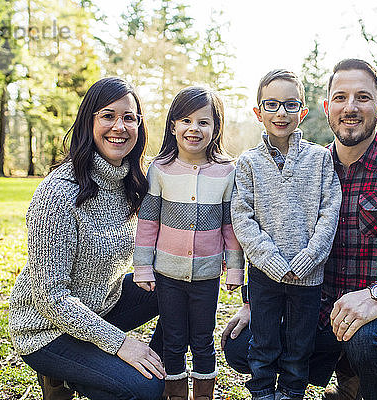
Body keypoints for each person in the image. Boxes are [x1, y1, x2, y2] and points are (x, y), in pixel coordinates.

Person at [222, 59, 377, 400]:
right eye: (341, 97)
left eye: (363, 97)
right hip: (314, 304)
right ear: (327, 107)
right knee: (241, 345)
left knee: (367, 337)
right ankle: (346, 379)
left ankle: (368, 387)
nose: (351, 107)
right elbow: (270, 224)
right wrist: (251, 302)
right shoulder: (311, 164)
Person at [8, 77, 166, 400]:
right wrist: (121, 345)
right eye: (108, 116)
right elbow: (50, 297)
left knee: (178, 285)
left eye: (129, 117)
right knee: (145, 390)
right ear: (88, 122)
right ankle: (63, 375)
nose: (119, 126)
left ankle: (158, 366)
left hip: (101, 307)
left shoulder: (132, 182)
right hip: (46, 328)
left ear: (139, 126)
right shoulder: (59, 192)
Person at [230, 69, 342, 400]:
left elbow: (329, 212)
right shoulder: (248, 163)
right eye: (272, 105)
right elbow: (242, 217)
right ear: (258, 113)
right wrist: (271, 261)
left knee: (298, 346)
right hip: (265, 275)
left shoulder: (320, 159)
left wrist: (308, 258)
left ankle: (292, 394)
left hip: (309, 277)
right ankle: (262, 394)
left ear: (303, 112)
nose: (281, 113)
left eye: (291, 105)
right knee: (263, 343)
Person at [133, 86, 244, 400]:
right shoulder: (160, 169)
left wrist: (235, 271)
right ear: (173, 126)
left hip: (207, 275)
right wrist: (143, 268)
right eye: (186, 120)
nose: (194, 128)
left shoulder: (226, 172)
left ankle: (204, 395)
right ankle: (177, 394)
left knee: (203, 339)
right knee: (173, 339)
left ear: (215, 128)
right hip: (167, 274)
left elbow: (229, 226)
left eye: (203, 122)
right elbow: (148, 223)